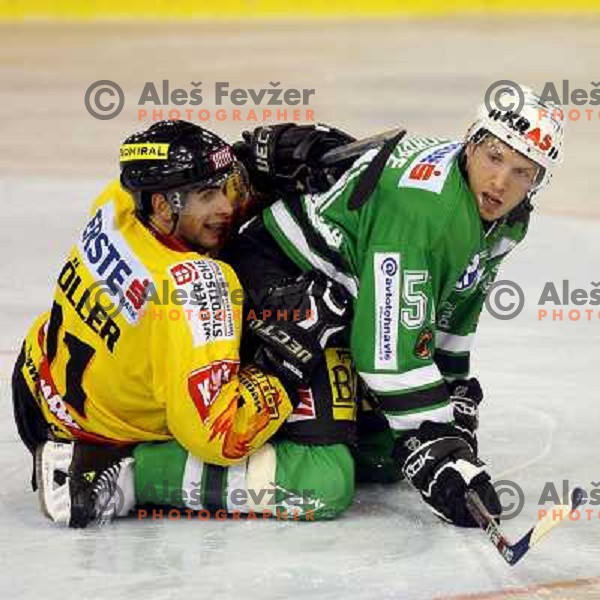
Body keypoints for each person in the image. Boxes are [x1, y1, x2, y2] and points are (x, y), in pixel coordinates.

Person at [134, 85, 563, 528]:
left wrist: (446, 408)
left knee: (383, 455)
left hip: (338, 296)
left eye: (522, 172)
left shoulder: (508, 220)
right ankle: (134, 472)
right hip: (276, 283)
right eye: (494, 157)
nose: (500, 182)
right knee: (327, 481)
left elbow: (452, 308)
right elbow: (385, 353)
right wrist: (438, 447)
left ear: (537, 183)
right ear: (471, 142)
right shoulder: (425, 209)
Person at [12, 120, 353, 528]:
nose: (226, 206)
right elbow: (219, 437)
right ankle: (119, 472)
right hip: (98, 433)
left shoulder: (119, 200)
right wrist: (286, 357)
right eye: (208, 196)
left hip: (38, 381)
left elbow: (192, 196)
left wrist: (250, 167)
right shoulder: (195, 284)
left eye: (225, 187)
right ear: (161, 205)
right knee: (324, 482)